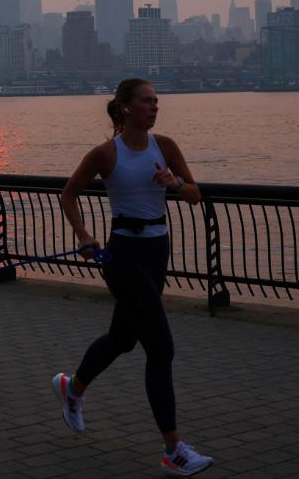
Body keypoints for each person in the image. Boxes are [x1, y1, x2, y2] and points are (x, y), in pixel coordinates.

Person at [54, 78, 212, 476]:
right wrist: (85, 237)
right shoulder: (107, 154)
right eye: (146, 101)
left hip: (157, 250)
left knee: (123, 339)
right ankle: (173, 448)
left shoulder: (167, 147)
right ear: (125, 107)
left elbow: (196, 194)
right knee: (160, 348)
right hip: (121, 253)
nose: (154, 107)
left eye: (157, 101)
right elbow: (68, 194)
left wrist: (175, 184)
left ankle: (72, 388)